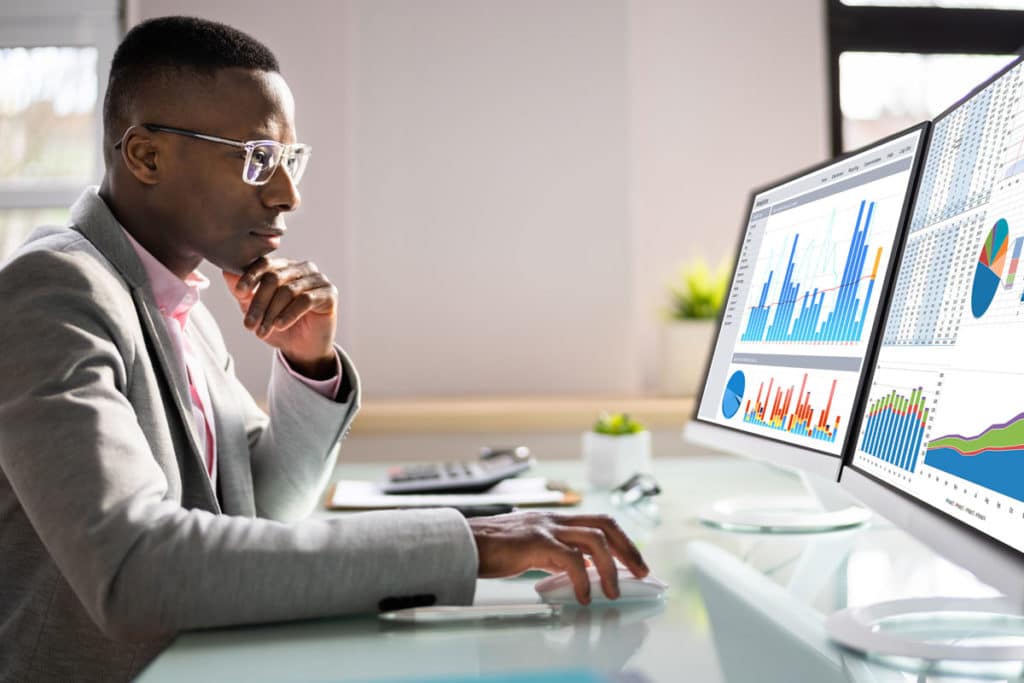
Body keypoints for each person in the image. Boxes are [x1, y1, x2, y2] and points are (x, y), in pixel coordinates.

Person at [0, 16, 649, 682]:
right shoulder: (53, 291)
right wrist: (469, 541)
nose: (288, 194)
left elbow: (265, 513)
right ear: (147, 157)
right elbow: (136, 568)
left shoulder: (183, 308)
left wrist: (309, 363)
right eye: (258, 158)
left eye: (290, 160)